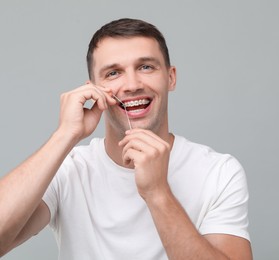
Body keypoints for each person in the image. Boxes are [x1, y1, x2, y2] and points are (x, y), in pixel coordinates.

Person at [0, 18, 252, 259]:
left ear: (170, 77)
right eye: (113, 73)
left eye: (146, 67)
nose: (132, 85)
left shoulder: (219, 172)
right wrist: (65, 135)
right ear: (93, 88)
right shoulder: (68, 170)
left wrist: (157, 193)